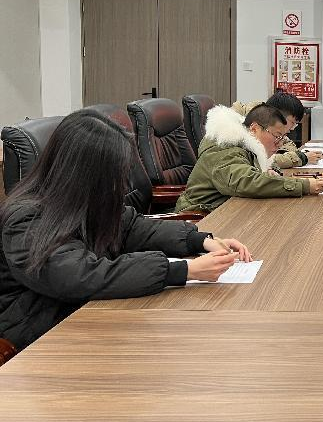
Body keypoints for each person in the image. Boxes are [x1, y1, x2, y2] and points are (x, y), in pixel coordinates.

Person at [0, 110, 252, 352]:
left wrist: (199, 240)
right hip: (41, 337)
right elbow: (81, 275)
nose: (121, 184)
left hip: (89, 314)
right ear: (86, 174)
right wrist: (183, 270)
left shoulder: (84, 201)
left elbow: (135, 227)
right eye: (115, 175)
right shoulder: (25, 219)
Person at [176, 104, 323, 213]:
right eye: (277, 136)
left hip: (223, 208)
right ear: (254, 129)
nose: (280, 143)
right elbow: (247, 182)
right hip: (199, 216)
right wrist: (304, 186)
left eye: (282, 138)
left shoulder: (244, 145)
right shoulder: (226, 148)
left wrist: (269, 171)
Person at [231, 89, 322, 167]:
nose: (292, 128)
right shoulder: (235, 124)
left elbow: (289, 146)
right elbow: (256, 159)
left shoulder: (270, 126)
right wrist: (301, 158)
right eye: (293, 123)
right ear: (278, 115)